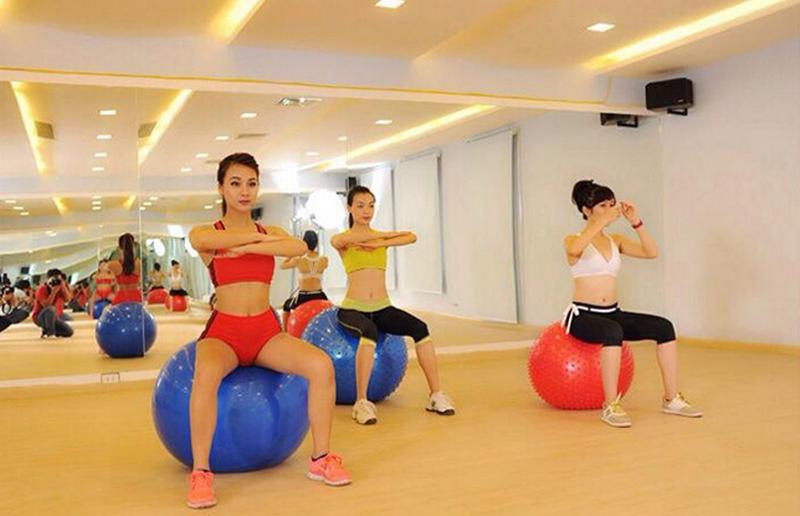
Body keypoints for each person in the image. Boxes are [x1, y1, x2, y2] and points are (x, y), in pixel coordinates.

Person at [184, 152, 351, 509]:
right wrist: (256, 245)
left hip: (264, 331)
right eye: (235, 183)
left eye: (251, 183)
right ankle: (200, 472)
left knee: (321, 365)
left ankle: (321, 458)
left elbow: (298, 246)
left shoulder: (268, 232)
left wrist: (247, 245)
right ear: (220, 187)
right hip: (224, 332)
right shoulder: (207, 233)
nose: (244, 191)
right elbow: (199, 241)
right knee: (205, 374)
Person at [563, 179, 703, 428]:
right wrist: (600, 223)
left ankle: (671, 398)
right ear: (586, 210)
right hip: (582, 316)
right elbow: (575, 250)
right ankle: (610, 406)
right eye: (602, 205)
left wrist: (636, 222)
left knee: (664, 327)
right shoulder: (573, 239)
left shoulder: (615, 240)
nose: (609, 210)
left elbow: (651, 252)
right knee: (612, 331)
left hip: (612, 312)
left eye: (611, 205)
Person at [331, 185, 455, 425]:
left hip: (382, 308)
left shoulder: (380, 238)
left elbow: (411, 236)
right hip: (353, 308)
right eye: (360, 206)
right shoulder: (344, 240)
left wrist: (379, 242)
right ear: (349, 208)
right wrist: (379, 239)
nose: (367, 211)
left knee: (421, 328)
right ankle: (361, 403)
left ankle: (436, 394)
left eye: (371, 205)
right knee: (369, 331)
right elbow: (338, 239)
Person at [280, 230, 329, 328]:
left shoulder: (299, 260)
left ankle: (285, 330)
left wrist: (295, 253)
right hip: (319, 295)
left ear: (304, 243)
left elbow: (282, 265)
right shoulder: (324, 260)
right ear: (316, 243)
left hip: (304, 296)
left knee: (286, 305)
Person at [31, 269, 73, 338]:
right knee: (51, 309)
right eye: (54, 279)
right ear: (48, 279)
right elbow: (46, 305)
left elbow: (67, 299)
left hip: (54, 317)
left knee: (69, 332)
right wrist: (54, 292)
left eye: (58, 280)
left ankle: (46, 330)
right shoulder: (42, 289)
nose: (55, 282)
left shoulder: (60, 288)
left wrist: (63, 286)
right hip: (39, 317)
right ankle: (50, 333)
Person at [108, 234, 142, 305]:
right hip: (135, 297)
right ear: (133, 247)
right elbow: (139, 281)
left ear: (119, 248)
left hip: (121, 297)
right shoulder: (138, 263)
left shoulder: (113, 264)